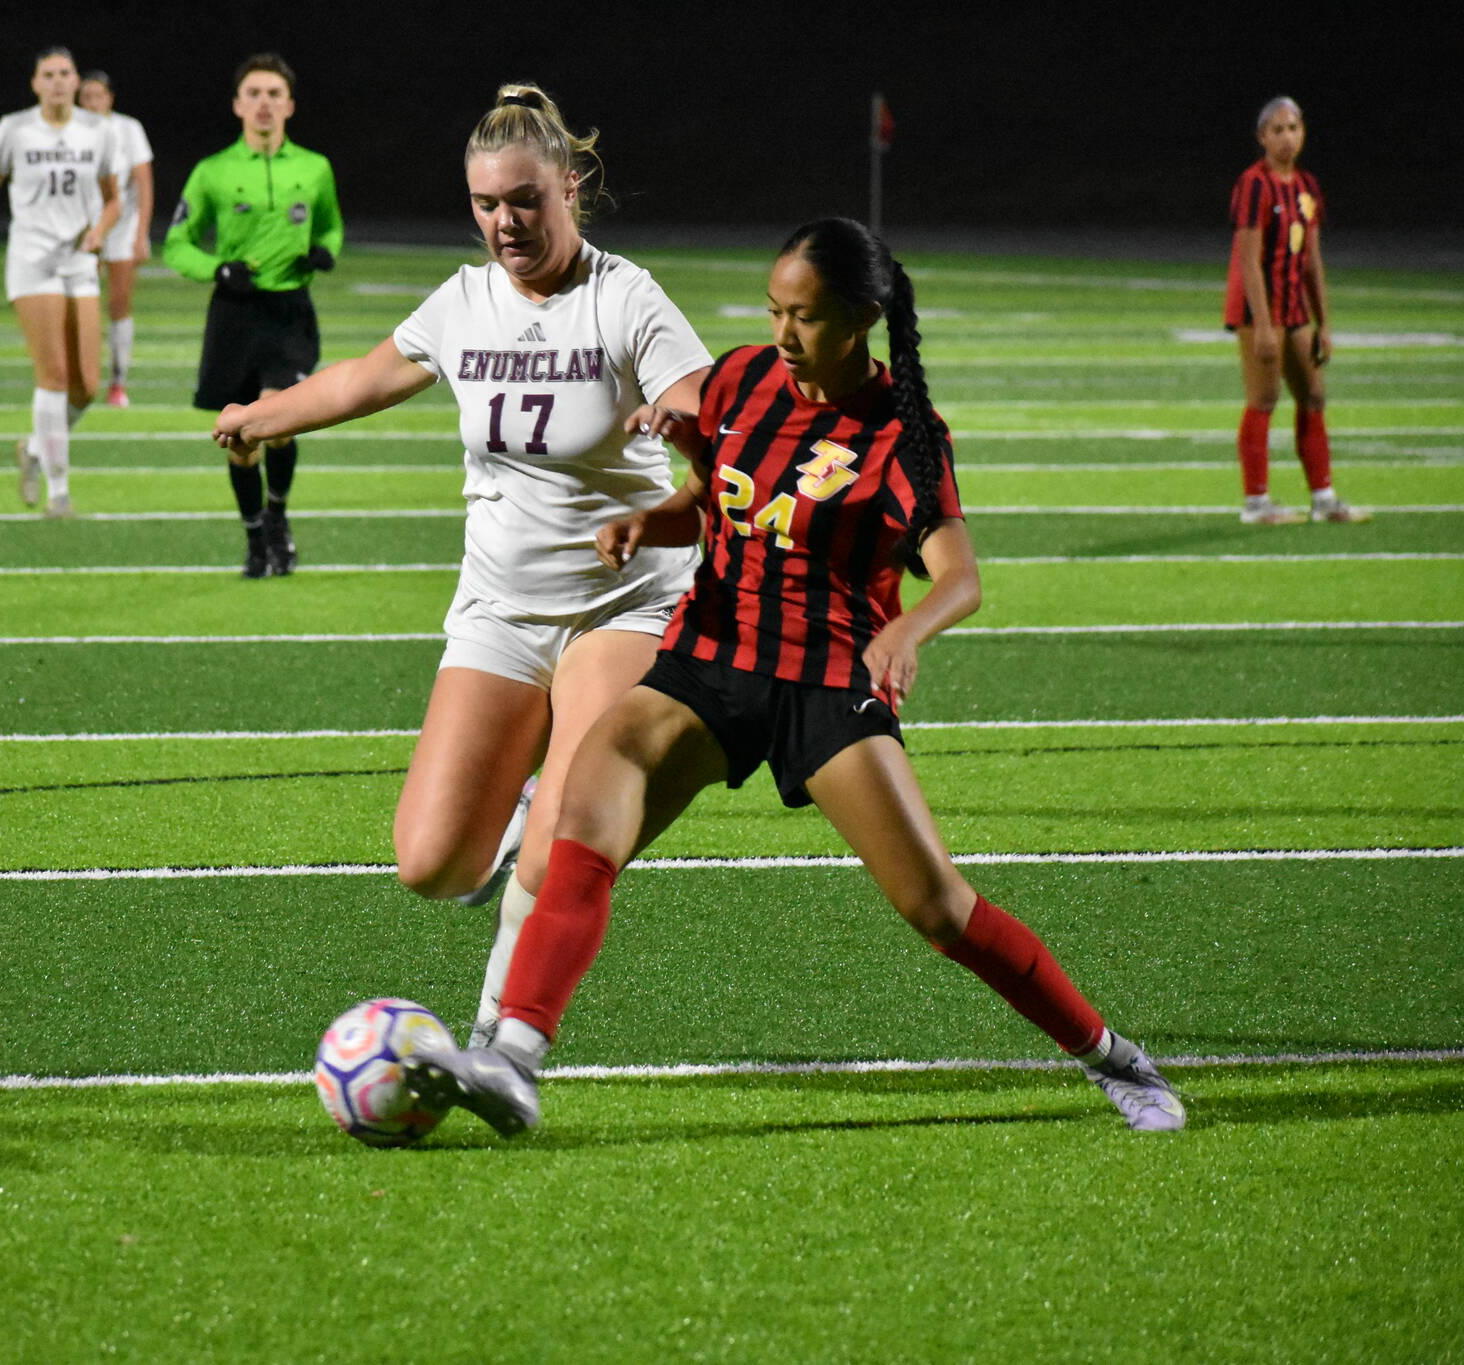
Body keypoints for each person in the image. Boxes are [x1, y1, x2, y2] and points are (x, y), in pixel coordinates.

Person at [402, 219, 1188, 1136]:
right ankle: (513, 1059)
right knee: (581, 818)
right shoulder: (740, 380)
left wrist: (907, 631)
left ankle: (1114, 1058)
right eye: (774, 310)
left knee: (937, 907)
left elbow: (961, 577)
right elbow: (717, 498)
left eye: (804, 317)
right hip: (709, 660)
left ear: (861, 319)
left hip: (824, 680)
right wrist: (650, 522)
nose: (781, 332)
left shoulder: (904, 434)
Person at [215, 83, 709, 1047]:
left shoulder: (624, 296)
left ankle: (497, 1041)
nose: (505, 222)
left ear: (569, 188)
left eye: (525, 199)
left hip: (621, 604)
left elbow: (704, 404)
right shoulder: (464, 299)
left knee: (560, 843)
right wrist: (262, 417)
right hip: (500, 609)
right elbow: (364, 377)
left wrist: (682, 418)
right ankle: (526, 797)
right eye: (486, 204)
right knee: (433, 862)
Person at [167, 53, 343, 578]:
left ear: (289, 105)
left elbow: (331, 225)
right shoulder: (212, 171)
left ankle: (278, 518)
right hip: (234, 316)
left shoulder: (315, 167)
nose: (264, 103)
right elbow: (177, 244)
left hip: (290, 313)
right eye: (254, 94)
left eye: (274, 94)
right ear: (238, 105)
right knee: (241, 439)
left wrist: (325, 250)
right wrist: (217, 270)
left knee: (277, 422)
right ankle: (255, 536)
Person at [0, 46, 120, 519]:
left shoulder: (98, 131)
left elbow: (113, 200)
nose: (57, 81)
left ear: (76, 81)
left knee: (86, 386)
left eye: (65, 73)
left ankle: (35, 448)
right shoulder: (14, 129)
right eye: (48, 74)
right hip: (32, 260)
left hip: (79, 262)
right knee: (53, 375)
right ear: (35, 83)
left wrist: (99, 232)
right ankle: (59, 493)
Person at [1224, 96, 1367, 525]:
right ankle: (1256, 504)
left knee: (1314, 395)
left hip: (1295, 310)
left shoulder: (1306, 187)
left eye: (1294, 128)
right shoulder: (1254, 184)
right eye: (1278, 130)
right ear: (1262, 137)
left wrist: (1325, 323)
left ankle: (1323, 499)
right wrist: (1263, 326)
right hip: (1259, 312)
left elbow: (1312, 261)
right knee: (1264, 399)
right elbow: (1248, 259)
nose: (1288, 137)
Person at [77, 70, 155, 408]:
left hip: (121, 227)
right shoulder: (71, 131)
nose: (93, 103)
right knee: (81, 303)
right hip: (83, 228)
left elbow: (143, 183)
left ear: (110, 98)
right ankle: (81, 377)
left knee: (119, 304)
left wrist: (141, 234)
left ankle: (118, 382)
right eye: (87, 97)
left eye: (99, 96)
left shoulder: (128, 129)